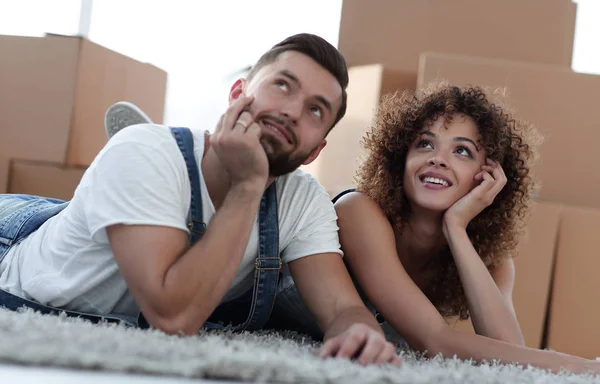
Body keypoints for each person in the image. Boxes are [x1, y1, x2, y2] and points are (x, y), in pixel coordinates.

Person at [0, 33, 401, 366]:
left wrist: (360, 334)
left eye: (316, 110)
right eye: (282, 85)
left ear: (316, 152)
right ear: (236, 94)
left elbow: (341, 308)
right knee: (141, 160)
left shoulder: (302, 197)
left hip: (138, 240)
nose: (294, 111)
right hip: (19, 269)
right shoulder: (144, 150)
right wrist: (247, 186)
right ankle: (144, 185)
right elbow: (173, 318)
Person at [330, 82, 600, 374]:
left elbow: (509, 350)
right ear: (400, 158)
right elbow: (434, 340)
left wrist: (456, 228)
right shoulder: (356, 210)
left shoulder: (490, 259)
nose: (438, 159)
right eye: (425, 144)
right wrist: (583, 367)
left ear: (486, 176)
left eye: (461, 151)